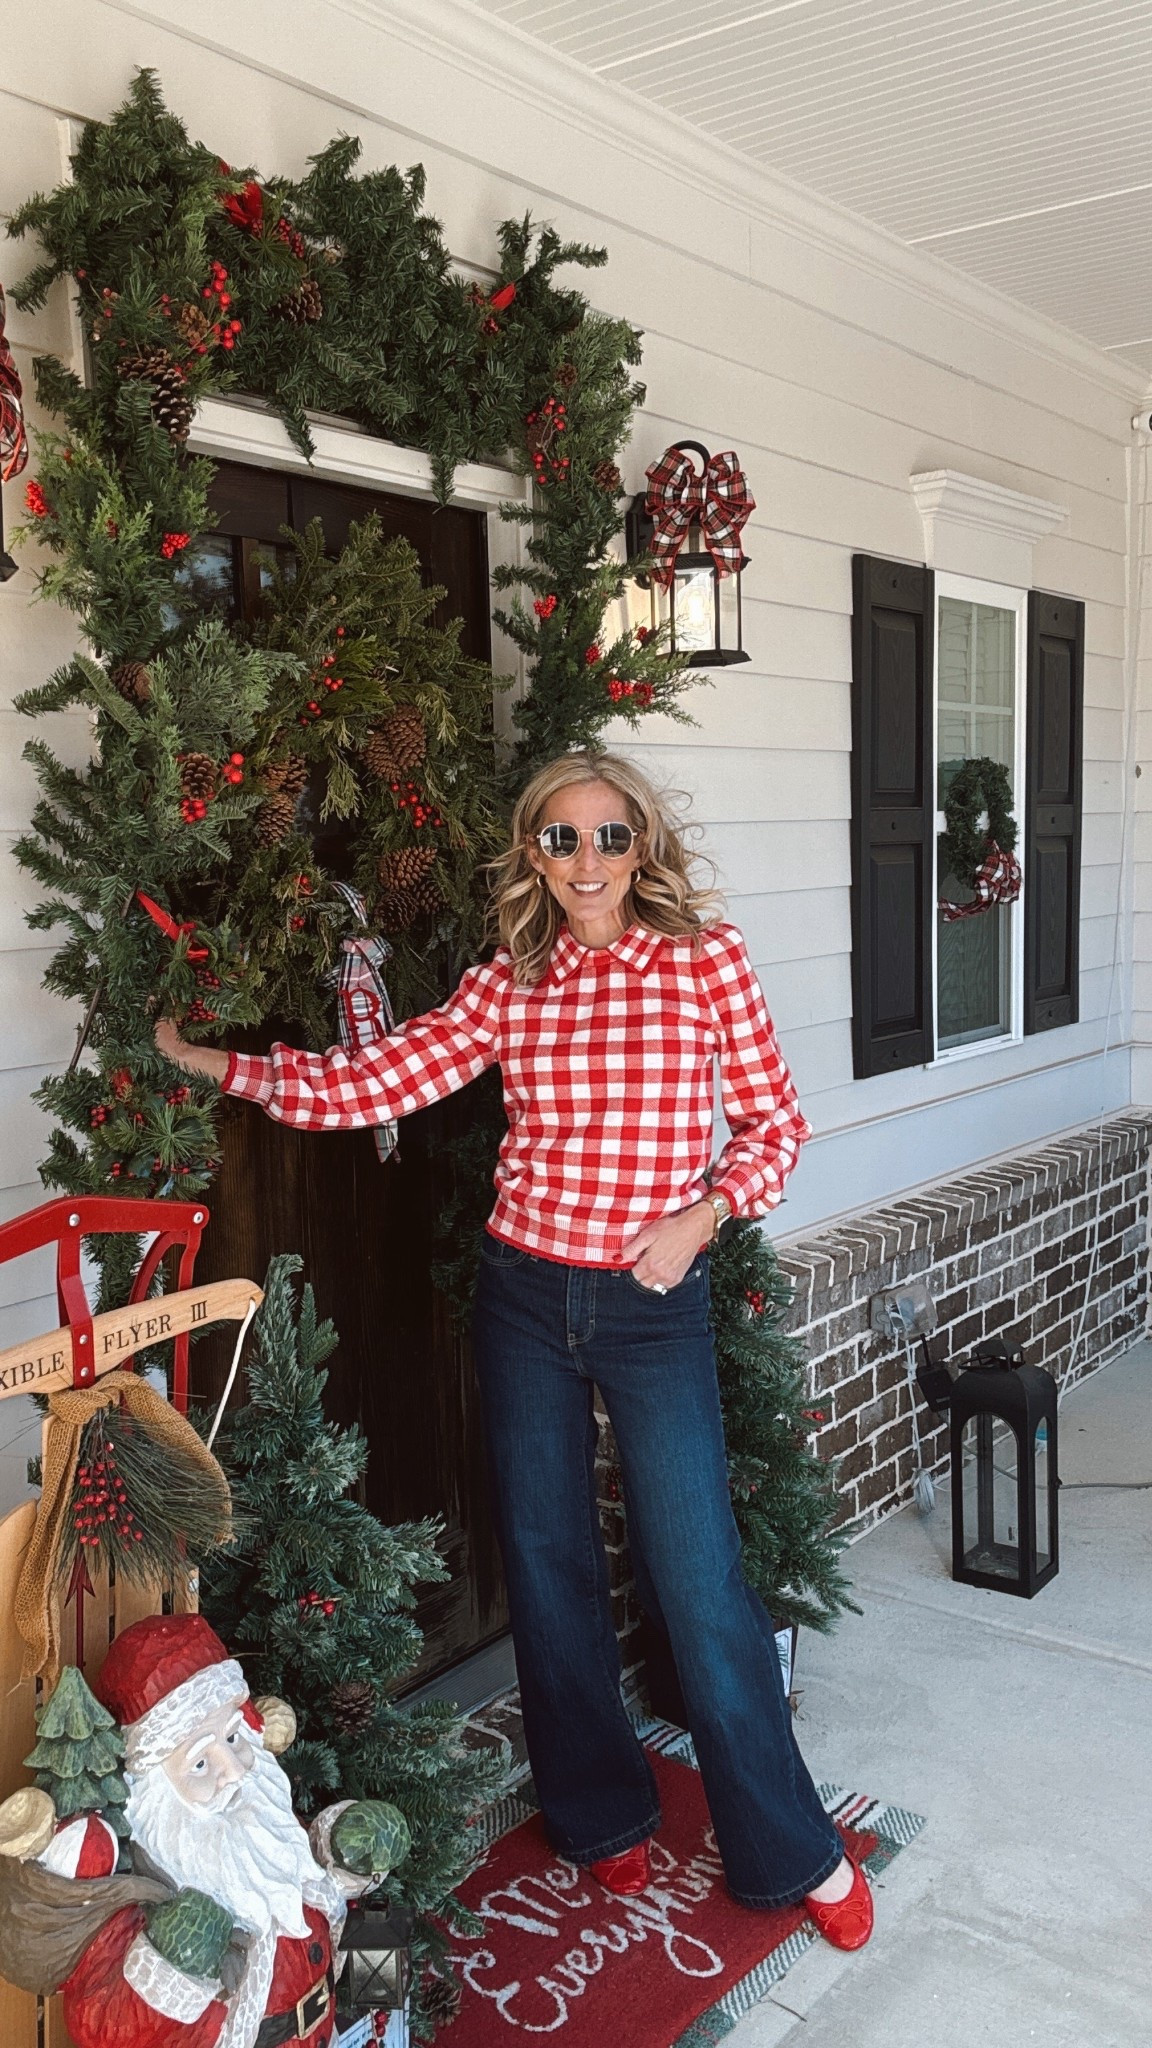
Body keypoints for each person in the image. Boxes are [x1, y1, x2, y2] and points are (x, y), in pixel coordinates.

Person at [156, 749, 872, 1951]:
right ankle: (601, 1812)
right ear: (533, 855)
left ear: (642, 847)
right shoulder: (511, 980)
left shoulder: (705, 959)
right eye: (561, 837)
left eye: (609, 836)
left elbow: (775, 1125)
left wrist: (699, 1216)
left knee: (700, 1575)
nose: (587, 861)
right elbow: (384, 1076)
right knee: (546, 1558)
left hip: (653, 1304)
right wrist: (227, 1066)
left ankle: (792, 1847)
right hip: (526, 1297)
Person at [0, 1615, 407, 2048]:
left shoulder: (256, 1828)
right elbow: (99, 2022)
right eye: (199, 1763)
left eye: (233, 1738)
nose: (234, 1772)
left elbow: (300, 1874)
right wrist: (171, 1964)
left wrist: (344, 1853)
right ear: (154, 1793)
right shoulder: (142, 1894)